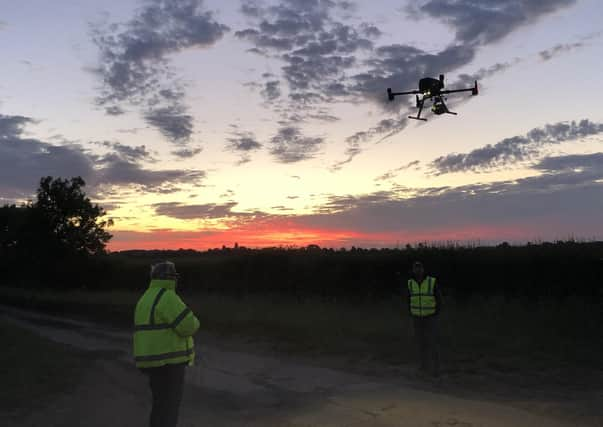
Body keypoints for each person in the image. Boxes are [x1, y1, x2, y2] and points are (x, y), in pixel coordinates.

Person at [133, 261, 200, 427]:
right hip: (169, 363)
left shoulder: (146, 297)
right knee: (170, 407)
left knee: (160, 405)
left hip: (151, 361)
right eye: (175, 277)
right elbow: (189, 326)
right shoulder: (168, 296)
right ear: (171, 278)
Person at [405, 261, 442, 378]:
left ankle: (435, 369)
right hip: (416, 318)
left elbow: (439, 298)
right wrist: (410, 312)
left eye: (419, 268)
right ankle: (423, 367)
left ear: (423, 269)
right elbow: (409, 299)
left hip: (430, 318)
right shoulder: (410, 283)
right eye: (415, 268)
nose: (418, 270)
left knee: (432, 343)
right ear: (413, 270)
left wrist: (436, 313)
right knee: (420, 343)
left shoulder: (431, 281)